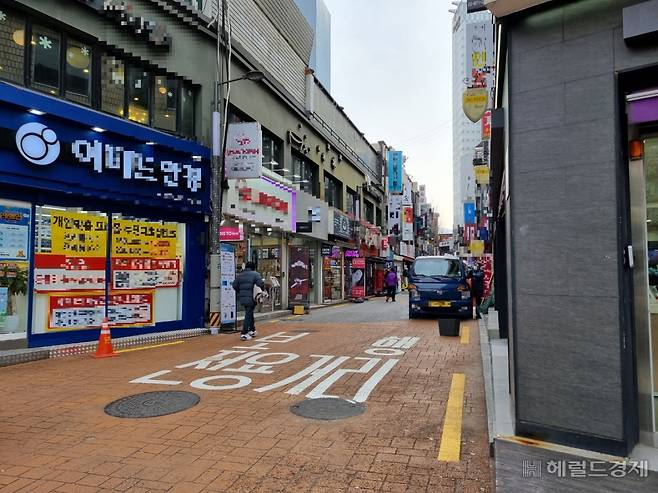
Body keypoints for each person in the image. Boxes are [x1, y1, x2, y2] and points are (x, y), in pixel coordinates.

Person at [232, 261, 265, 340]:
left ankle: (252, 330)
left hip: (243, 297)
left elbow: (234, 285)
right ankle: (244, 333)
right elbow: (260, 284)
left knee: (249, 313)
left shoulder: (240, 275)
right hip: (251, 297)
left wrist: (240, 292)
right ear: (253, 267)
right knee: (248, 314)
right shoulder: (256, 274)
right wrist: (262, 290)